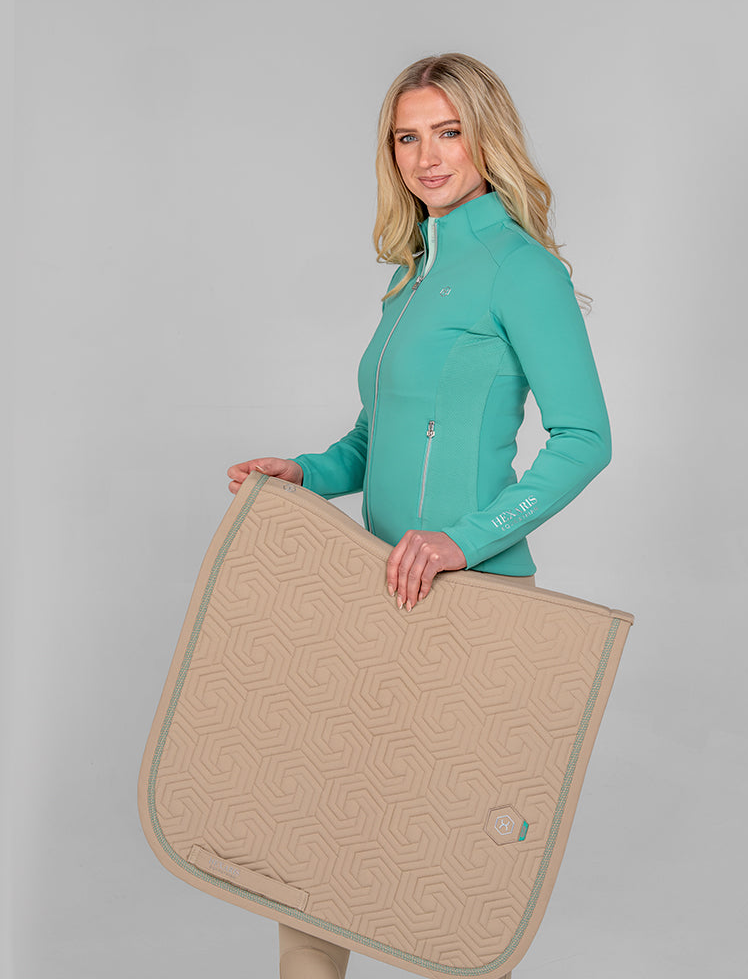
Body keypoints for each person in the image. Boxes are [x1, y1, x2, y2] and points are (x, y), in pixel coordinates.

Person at [227, 52, 611, 979]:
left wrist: (463, 542)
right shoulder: (410, 277)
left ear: (487, 138)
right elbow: (377, 437)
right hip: (377, 591)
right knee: (316, 847)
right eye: (407, 137)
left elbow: (585, 437)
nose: (427, 156)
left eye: (448, 132)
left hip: (475, 602)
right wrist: (306, 472)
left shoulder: (519, 269)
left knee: (453, 871)